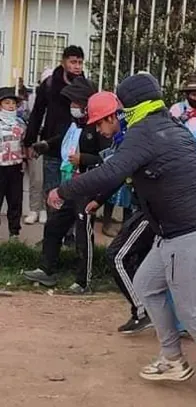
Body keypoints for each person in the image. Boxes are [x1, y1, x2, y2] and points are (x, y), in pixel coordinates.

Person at [47, 73, 196, 407]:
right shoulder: (168, 126)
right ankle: (173, 359)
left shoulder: (145, 133)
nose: (103, 125)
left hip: (192, 236)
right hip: (177, 233)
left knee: (195, 315)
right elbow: (121, 170)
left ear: (127, 108)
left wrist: (63, 190)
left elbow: (110, 172)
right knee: (146, 283)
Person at [84, 91, 188, 337]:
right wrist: (98, 200)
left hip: (153, 209)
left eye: (99, 123)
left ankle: (144, 312)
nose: (98, 130)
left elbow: (114, 173)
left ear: (112, 117)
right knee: (150, 267)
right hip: (153, 209)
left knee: (117, 255)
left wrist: (88, 195)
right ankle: (173, 321)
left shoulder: (132, 137)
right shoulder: (124, 139)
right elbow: (119, 175)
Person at [22, 77, 107, 293]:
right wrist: (46, 144)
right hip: (69, 185)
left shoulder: (99, 126)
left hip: (87, 188)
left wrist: (84, 160)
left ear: (86, 103)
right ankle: (46, 269)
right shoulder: (75, 124)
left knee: (82, 234)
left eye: (76, 103)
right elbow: (62, 138)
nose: (73, 107)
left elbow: (109, 160)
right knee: (54, 225)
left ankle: (83, 281)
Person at [24, 46, 84, 200]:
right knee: (52, 195)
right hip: (51, 148)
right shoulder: (49, 84)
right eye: (73, 62)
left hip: (75, 151)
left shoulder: (85, 86)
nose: (77, 66)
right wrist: (29, 142)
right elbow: (37, 113)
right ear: (63, 62)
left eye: (80, 62)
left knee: (72, 197)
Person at [23, 70, 54, 225]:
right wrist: (28, 143)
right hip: (37, 139)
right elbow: (33, 120)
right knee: (36, 178)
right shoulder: (34, 98)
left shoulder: (60, 100)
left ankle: (44, 209)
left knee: (48, 178)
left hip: (51, 141)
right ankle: (34, 209)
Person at [0, 87, 27, 239]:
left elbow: (25, 143)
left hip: (16, 167)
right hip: (0, 167)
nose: (11, 106)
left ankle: (14, 233)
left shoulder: (20, 123)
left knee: (15, 200)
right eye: (7, 102)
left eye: (13, 103)